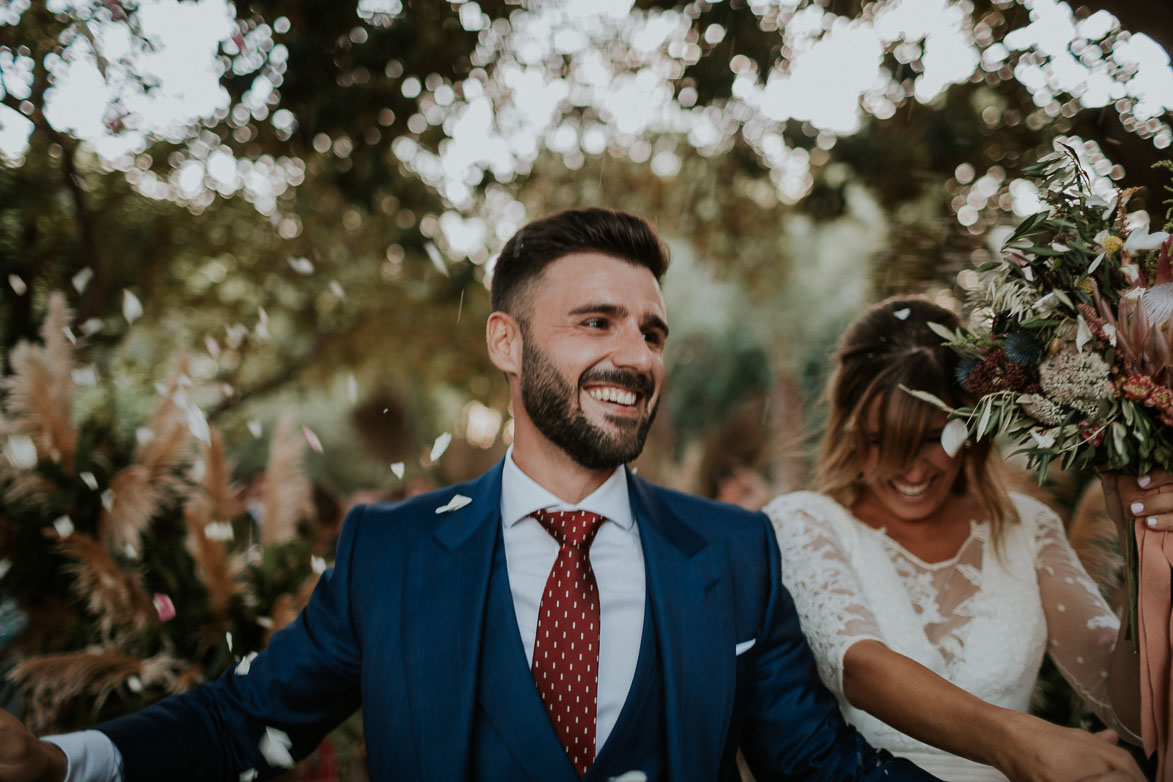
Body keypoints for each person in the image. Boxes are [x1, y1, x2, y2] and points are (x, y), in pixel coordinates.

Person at [0, 209, 940, 782]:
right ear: (505, 343)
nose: (635, 356)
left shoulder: (733, 552)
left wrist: (1027, 760)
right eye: (596, 322)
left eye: (651, 332)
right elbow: (242, 721)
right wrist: (64, 761)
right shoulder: (390, 552)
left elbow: (820, 765)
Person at [763, 296, 1153, 782]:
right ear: (850, 428)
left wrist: (1147, 563)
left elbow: (1134, 711)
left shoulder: (1026, 529)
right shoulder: (804, 523)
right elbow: (861, 666)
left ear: (971, 426)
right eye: (883, 440)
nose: (910, 470)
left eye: (930, 439)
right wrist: (1024, 743)